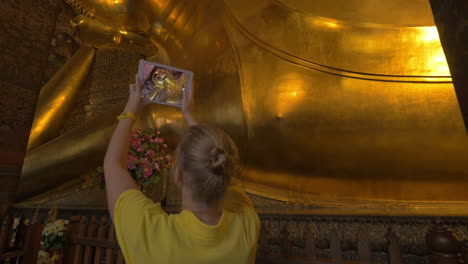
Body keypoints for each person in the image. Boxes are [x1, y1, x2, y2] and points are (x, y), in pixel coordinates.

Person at [103, 74, 260, 263]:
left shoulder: (153, 236)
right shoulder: (246, 225)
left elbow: (112, 164)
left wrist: (131, 109)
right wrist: (191, 121)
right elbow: (222, 167)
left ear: (178, 175)